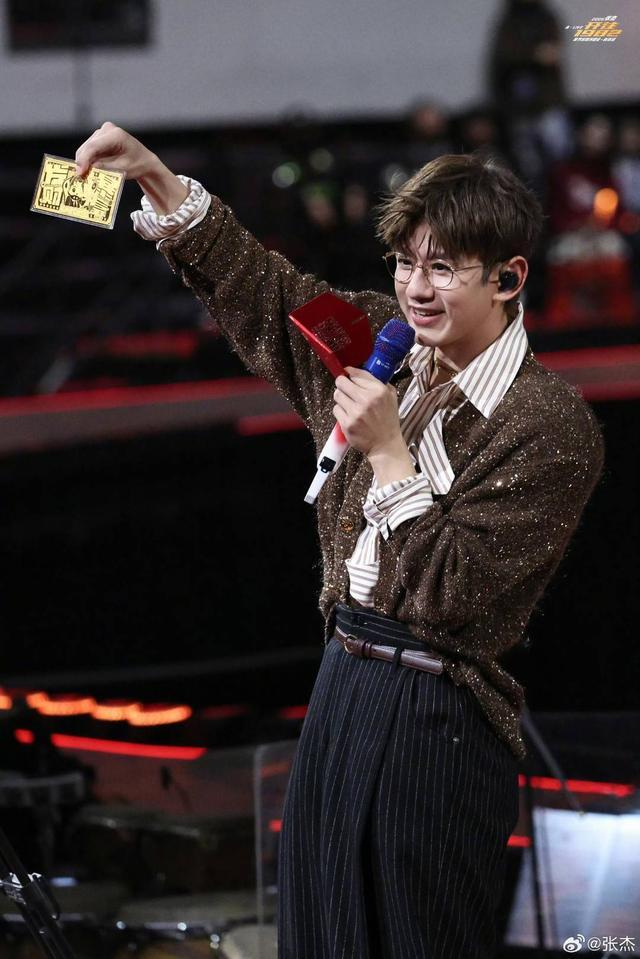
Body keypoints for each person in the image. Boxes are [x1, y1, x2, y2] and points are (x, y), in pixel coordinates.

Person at [75, 124, 604, 958]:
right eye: (403, 262)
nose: (415, 288)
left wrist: (390, 451)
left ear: (508, 278)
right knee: (321, 935)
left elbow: (450, 590)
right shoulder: (382, 340)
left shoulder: (550, 424)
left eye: (442, 268)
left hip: (442, 714)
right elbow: (265, 293)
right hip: (342, 682)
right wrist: (154, 176)